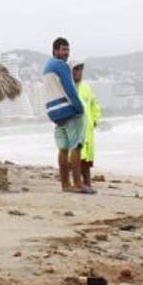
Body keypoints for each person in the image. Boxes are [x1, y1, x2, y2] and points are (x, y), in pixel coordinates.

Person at [43, 37, 94, 194]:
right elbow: (69, 88)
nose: (66, 53)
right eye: (63, 49)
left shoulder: (46, 68)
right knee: (76, 147)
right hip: (68, 110)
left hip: (55, 113)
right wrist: (79, 108)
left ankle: (65, 185)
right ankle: (78, 184)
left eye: (68, 50)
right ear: (55, 50)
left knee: (63, 149)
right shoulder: (61, 65)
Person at [71, 60, 102, 187]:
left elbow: (95, 105)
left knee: (87, 161)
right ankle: (78, 183)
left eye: (80, 69)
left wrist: (95, 120)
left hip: (87, 129)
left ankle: (88, 184)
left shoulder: (86, 87)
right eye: (76, 69)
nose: (79, 72)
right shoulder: (68, 87)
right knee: (76, 157)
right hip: (74, 128)